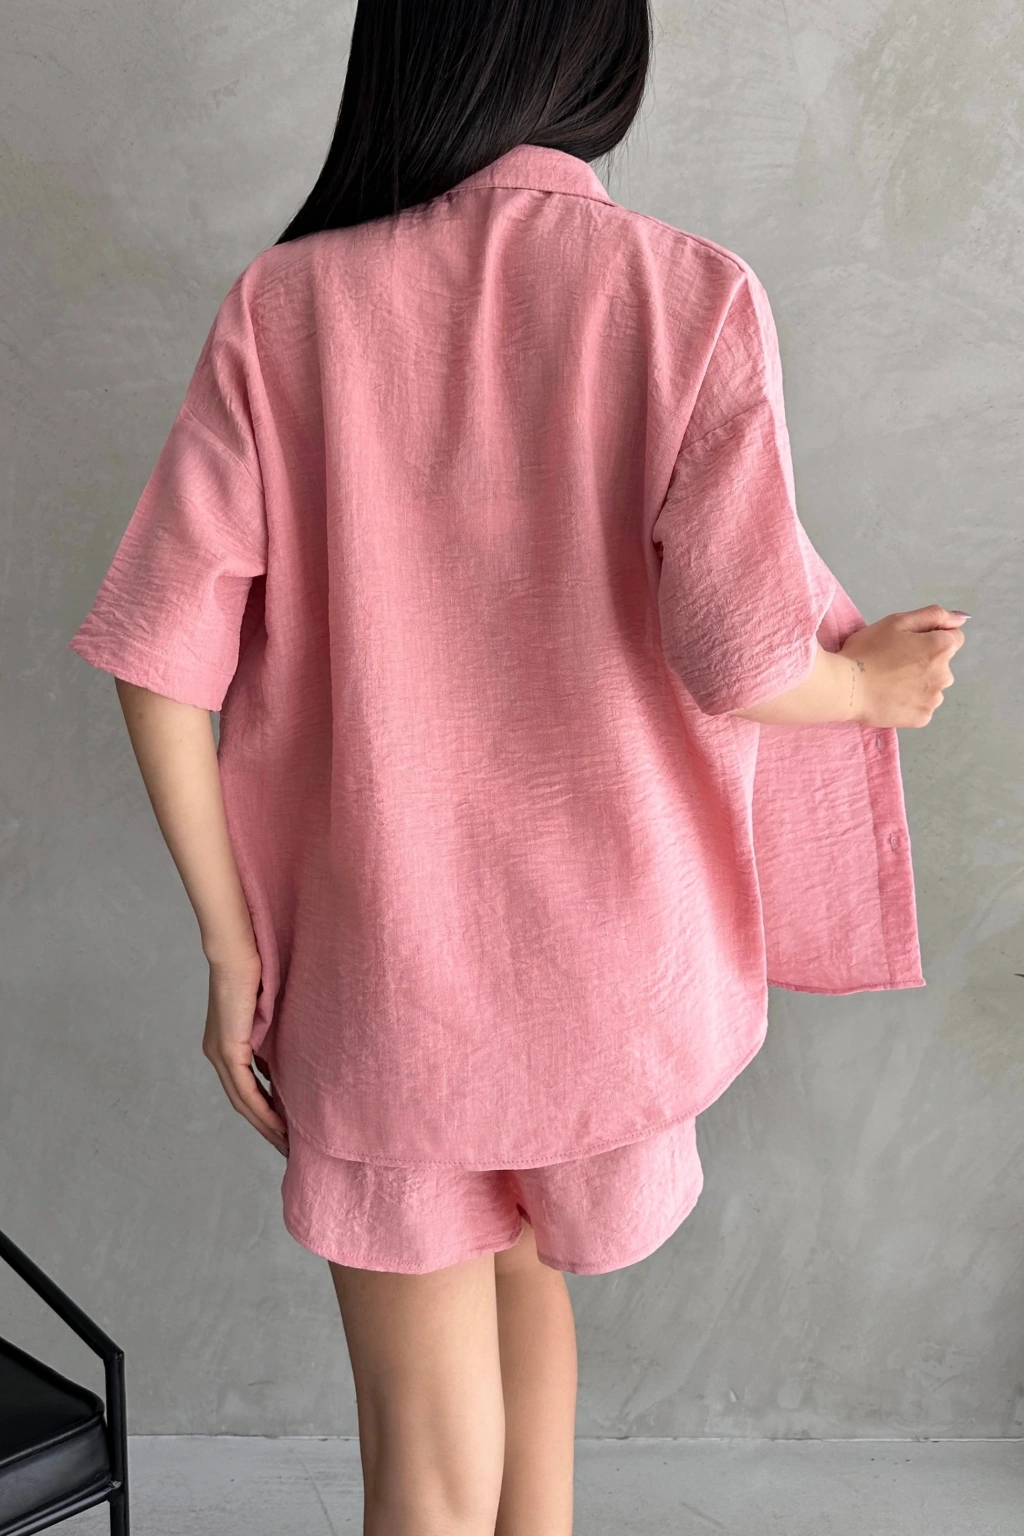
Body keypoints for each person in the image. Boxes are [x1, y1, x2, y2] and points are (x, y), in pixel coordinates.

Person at [67, 0, 969, 1531]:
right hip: (608, 988)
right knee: (530, 1295)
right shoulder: (688, 293)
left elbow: (159, 659)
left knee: (422, 1457)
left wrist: (232, 954)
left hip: (388, 989)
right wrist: (869, 685)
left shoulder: (288, 308)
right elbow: (746, 660)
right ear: (596, 55)